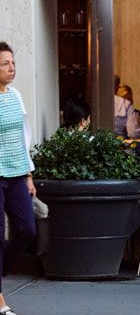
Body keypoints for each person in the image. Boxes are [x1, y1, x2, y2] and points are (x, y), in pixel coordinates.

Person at [0, 42, 38, 315]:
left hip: (16, 174)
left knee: (27, 229)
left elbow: (22, 138)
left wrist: (28, 175)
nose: (11, 68)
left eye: (12, 63)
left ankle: (1, 270)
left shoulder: (16, 96)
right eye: (5, 64)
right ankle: (1, 302)